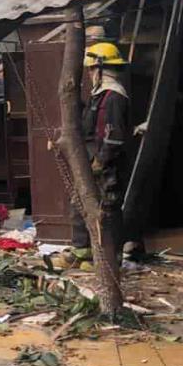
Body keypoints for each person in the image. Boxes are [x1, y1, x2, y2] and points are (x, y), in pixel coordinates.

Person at [74, 42, 131, 248]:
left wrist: (100, 162)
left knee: (107, 210)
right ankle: (83, 253)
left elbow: (114, 137)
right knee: (80, 205)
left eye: (91, 69)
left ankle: (109, 257)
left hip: (106, 165)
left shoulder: (114, 96)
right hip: (93, 160)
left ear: (100, 68)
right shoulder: (99, 95)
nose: (89, 73)